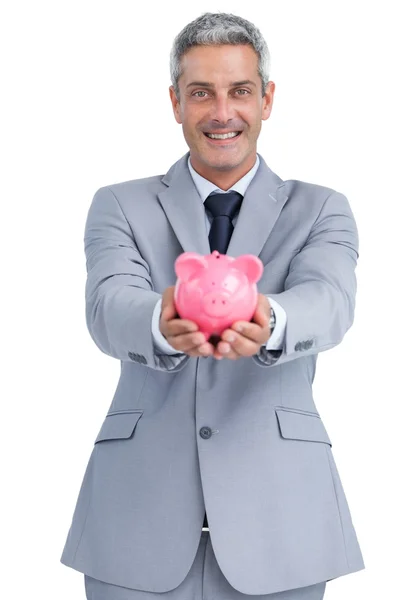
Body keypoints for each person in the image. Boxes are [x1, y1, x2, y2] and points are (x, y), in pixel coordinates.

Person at [60, 11, 365, 600]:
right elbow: (108, 302)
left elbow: (330, 302)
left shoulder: (323, 207)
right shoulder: (119, 204)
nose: (222, 113)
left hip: (281, 524)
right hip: (135, 521)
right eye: (201, 93)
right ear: (175, 102)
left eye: (240, 91)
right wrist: (161, 321)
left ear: (267, 99)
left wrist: (268, 318)